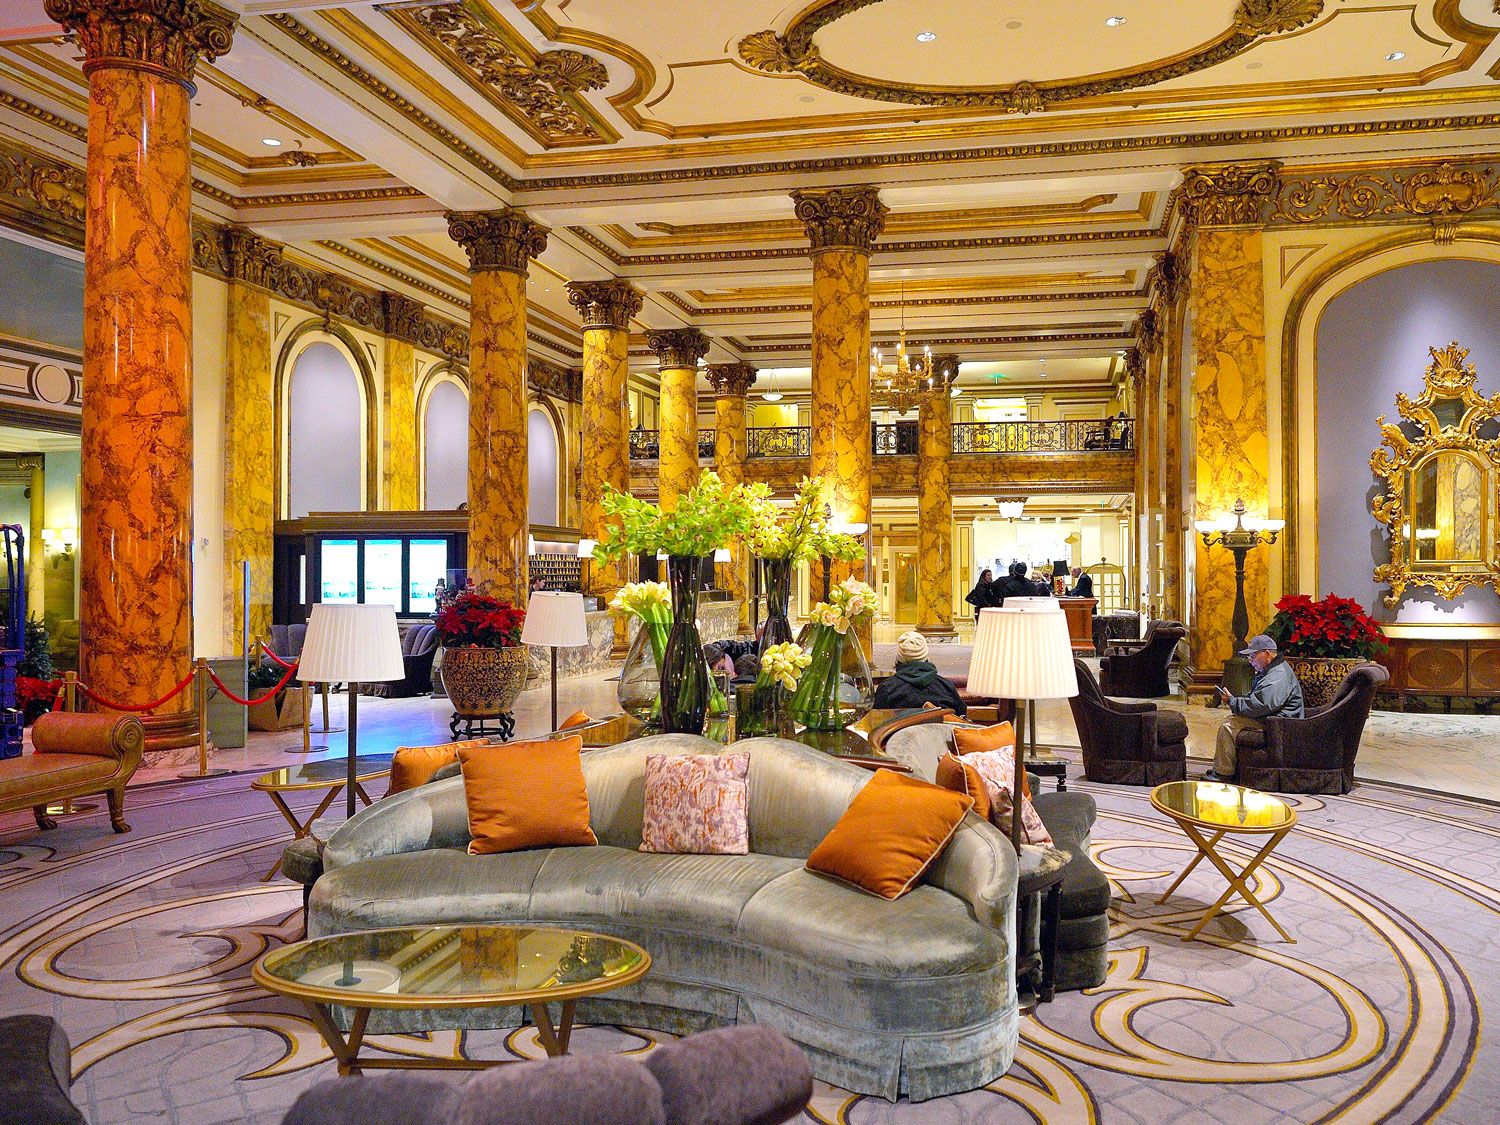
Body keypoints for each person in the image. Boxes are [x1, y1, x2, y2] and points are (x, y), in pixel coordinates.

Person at [1208, 634, 1304, 781]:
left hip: (1279, 725)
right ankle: (1226, 769)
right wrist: (1235, 701)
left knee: (1228, 726)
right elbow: (1258, 699)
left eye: (1253, 656)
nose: (1250, 660)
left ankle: (1224, 773)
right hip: (1273, 719)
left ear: (1267, 654)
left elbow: (1261, 705)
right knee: (1233, 720)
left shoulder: (1278, 676)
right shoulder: (1272, 671)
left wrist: (1233, 702)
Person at [872, 632, 966, 716]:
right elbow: (961, 715)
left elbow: (877, 720)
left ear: (898, 658)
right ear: (926, 657)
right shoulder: (946, 686)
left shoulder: (887, 688)